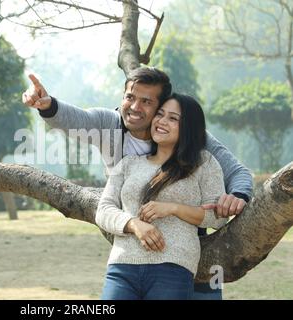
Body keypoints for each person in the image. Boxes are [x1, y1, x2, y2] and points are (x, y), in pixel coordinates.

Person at [22, 67, 253, 299]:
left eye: (146, 102)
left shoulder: (193, 139)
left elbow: (237, 172)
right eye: (130, 97)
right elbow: (77, 119)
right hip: (130, 245)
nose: (134, 107)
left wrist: (238, 195)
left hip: (188, 246)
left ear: (161, 106)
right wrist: (48, 104)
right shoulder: (111, 127)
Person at [96, 93, 227, 299]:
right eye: (160, 114)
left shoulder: (204, 163)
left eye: (173, 118)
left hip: (173, 268)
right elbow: (103, 210)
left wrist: (172, 208)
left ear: (189, 128)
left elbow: (217, 217)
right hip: (122, 267)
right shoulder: (129, 163)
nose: (162, 121)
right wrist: (133, 224)